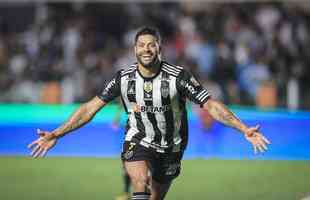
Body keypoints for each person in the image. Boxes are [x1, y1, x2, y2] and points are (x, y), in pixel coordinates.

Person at [28, 26, 270, 200]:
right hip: (138, 139)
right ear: (135, 49)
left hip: (172, 146)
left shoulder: (178, 77)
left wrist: (242, 128)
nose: (146, 49)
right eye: (141, 45)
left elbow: (211, 105)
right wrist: (57, 133)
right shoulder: (123, 78)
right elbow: (90, 108)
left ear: (159, 48)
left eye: (151, 44)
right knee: (139, 181)